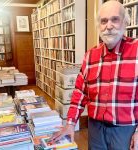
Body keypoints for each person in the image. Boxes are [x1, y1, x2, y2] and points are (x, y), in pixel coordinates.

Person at [51, 0, 138, 150]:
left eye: (115, 19)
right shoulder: (90, 55)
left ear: (125, 22)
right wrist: (70, 123)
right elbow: (79, 92)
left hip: (126, 130)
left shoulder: (136, 51)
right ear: (99, 25)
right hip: (95, 129)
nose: (108, 26)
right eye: (104, 21)